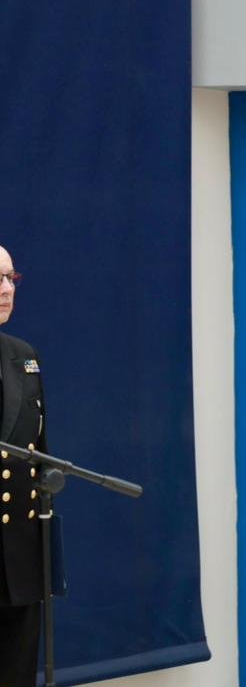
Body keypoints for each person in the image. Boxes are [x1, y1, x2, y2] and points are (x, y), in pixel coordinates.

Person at [0, 247, 46, 687]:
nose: (6, 289)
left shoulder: (23, 355)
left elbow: (40, 459)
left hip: (17, 561)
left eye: (10, 278)